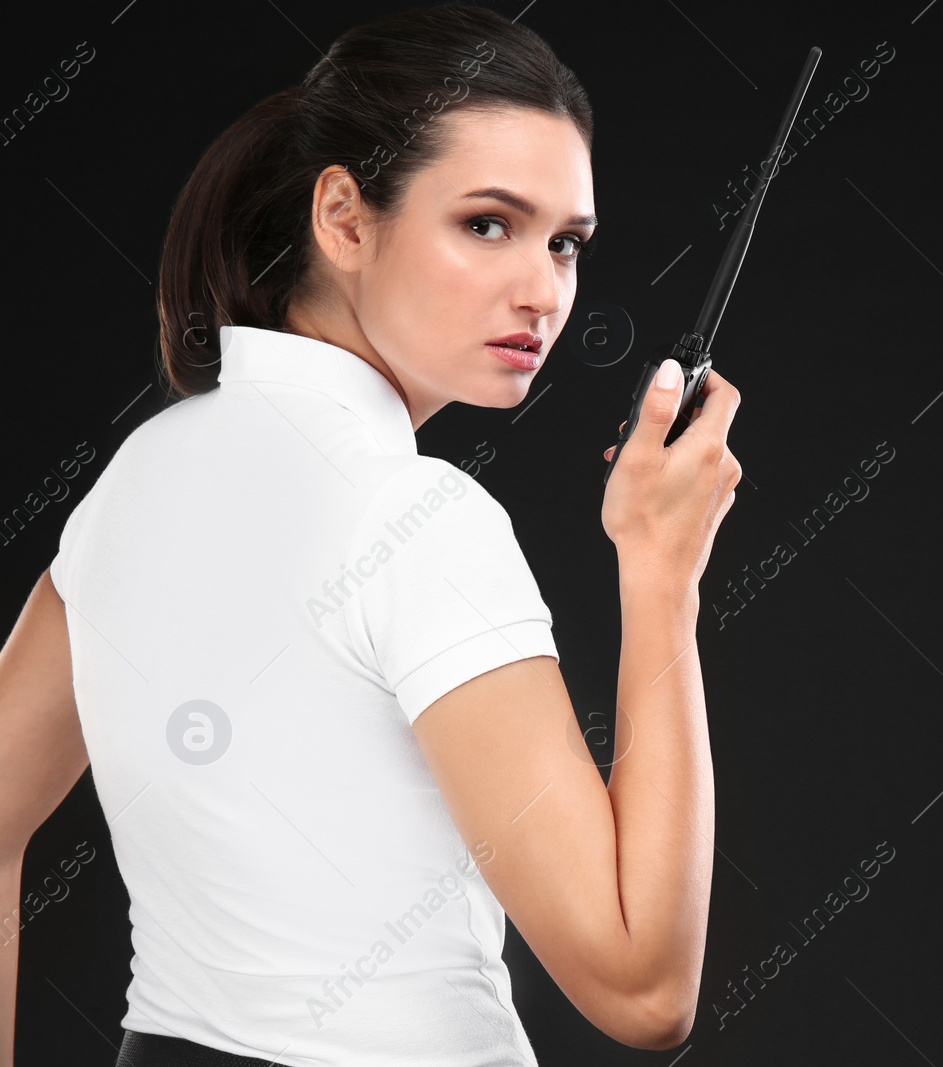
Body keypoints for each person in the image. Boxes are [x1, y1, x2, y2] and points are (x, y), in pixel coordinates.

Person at [0, 4, 740, 1065]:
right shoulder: (418, 517)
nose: (542, 291)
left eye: (565, 243)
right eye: (487, 223)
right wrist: (662, 572)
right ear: (344, 217)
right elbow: (643, 985)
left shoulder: (139, 473)